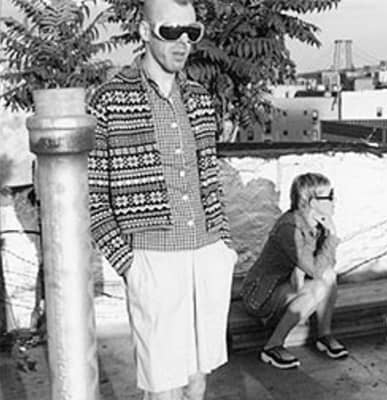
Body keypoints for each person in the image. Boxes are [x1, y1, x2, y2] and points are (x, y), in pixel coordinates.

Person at [87, 0, 237, 398]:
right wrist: (129, 263)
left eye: (192, 32)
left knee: (197, 380)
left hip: (207, 253)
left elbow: (210, 179)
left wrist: (224, 246)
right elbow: (92, 194)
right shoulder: (110, 100)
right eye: (170, 31)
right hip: (153, 258)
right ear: (144, 32)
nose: (183, 42)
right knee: (163, 387)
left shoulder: (200, 97)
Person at [240, 172, 348, 369]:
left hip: (288, 285)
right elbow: (314, 270)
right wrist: (332, 237)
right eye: (330, 196)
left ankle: (324, 335)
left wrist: (328, 235)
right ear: (312, 202)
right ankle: (272, 346)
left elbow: (327, 264)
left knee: (329, 276)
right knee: (318, 287)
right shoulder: (290, 227)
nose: (335, 201)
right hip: (261, 295)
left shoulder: (318, 224)